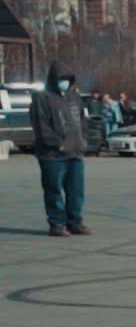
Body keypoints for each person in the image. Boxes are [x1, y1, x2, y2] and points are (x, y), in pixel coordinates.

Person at [29, 61, 90, 237]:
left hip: (75, 152)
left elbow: (83, 121)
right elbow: (40, 125)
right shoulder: (42, 98)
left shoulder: (74, 97)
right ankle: (57, 224)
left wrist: (83, 140)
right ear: (53, 79)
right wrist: (57, 143)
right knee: (53, 190)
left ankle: (75, 222)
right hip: (52, 155)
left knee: (76, 191)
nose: (65, 81)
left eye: (67, 78)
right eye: (61, 78)